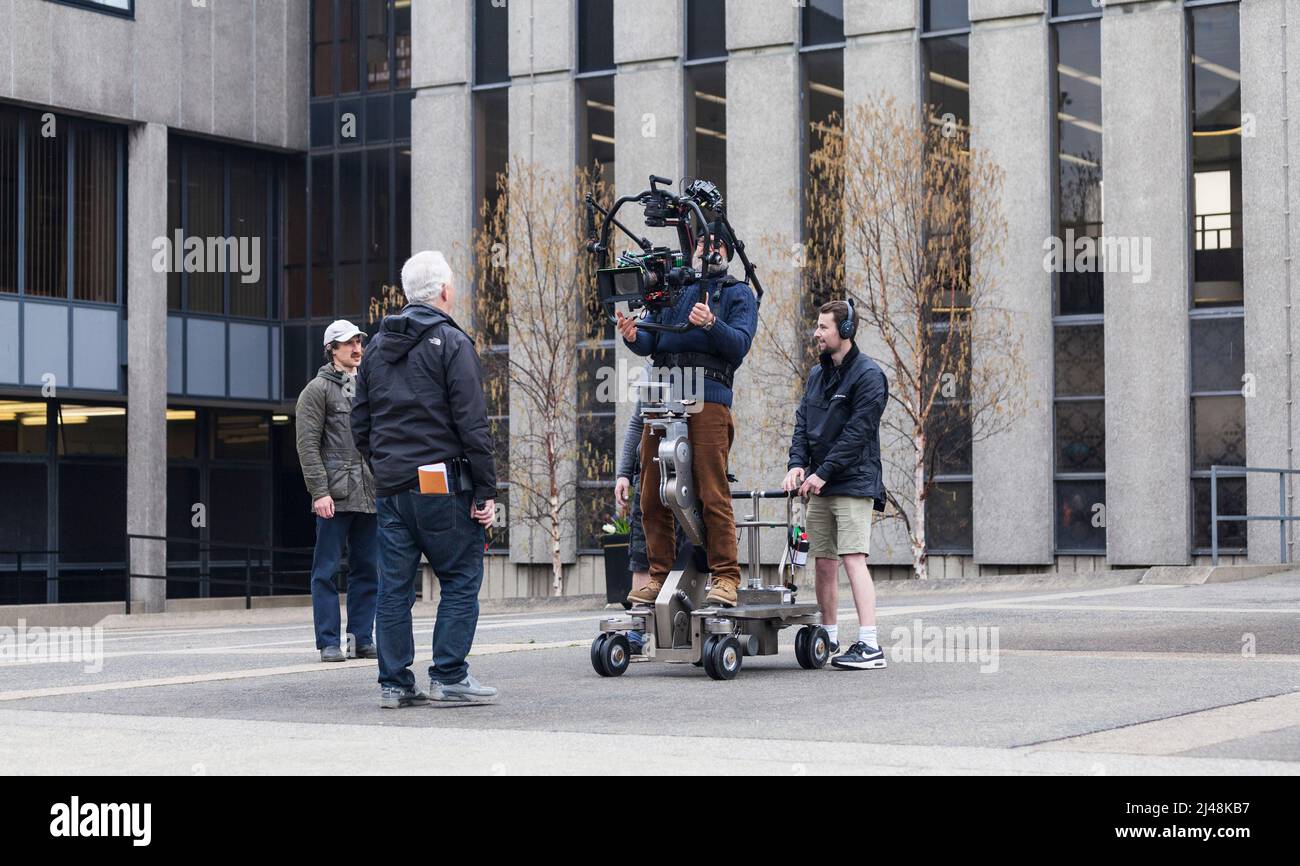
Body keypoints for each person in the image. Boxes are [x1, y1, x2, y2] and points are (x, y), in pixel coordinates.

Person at [352, 250, 498, 708]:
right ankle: (449, 675)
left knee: (394, 586)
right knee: (459, 575)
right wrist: (485, 491)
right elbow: (474, 425)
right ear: (445, 292)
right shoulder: (453, 343)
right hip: (440, 481)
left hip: (392, 485)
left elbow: (360, 422)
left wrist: (385, 464)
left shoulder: (375, 348)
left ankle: (394, 683)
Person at [615, 227, 757, 608]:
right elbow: (651, 341)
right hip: (662, 400)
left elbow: (739, 345)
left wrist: (712, 323)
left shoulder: (736, 293)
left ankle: (725, 575)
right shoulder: (673, 291)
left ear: (725, 251)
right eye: (698, 245)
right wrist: (632, 335)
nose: (703, 250)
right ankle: (658, 576)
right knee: (651, 493)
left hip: (707, 398)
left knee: (712, 490)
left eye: (712, 245)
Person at [783, 300, 889, 670]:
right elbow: (802, 424)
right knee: (823, 563)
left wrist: (823, 472)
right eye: (817, 326)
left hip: (854, 483)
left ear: (845, 332)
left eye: (823, 327)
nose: (817, 333)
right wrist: (797, 465)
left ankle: (870, 645)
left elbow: (857, 433)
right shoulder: (816, 375)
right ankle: (828, 636)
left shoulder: (869, 376)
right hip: (821, 484)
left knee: (852, 558)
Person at [295, 320, 378, 663]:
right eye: (349, 344)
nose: (357, 349)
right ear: (331, 349)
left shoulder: (370, 387)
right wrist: (319, 492)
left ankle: (361, 639)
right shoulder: (316, 390)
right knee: (326, 570)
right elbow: (307, 446)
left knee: (367, 569)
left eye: (359, 343)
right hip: (333, 495)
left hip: (371, 494)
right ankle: (328, 642)